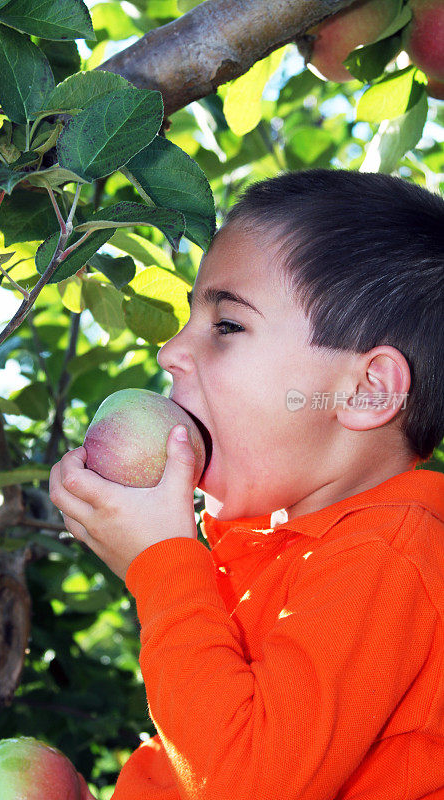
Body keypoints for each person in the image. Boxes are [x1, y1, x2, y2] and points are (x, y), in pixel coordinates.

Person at [49, 168, 444, 799]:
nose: (170, 350)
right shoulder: (285, 560)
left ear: (368, 390)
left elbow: (247, 782)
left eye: (226, 326)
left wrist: (161, 565)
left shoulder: (386, 555)